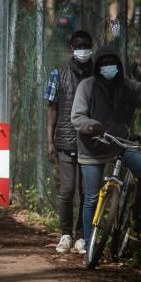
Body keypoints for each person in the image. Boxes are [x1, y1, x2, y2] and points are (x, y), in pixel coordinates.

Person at [70, 45, 141, 249]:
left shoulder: (125, 85)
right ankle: (88, 243)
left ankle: (138, 222)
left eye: (112, 63)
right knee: (91, 198)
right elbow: (76, 116)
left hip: (120, 142)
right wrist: (91, 125)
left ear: (119, 66)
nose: (108, 67)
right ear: (97, 67)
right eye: (103, 64)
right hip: (93, 147)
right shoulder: (87, 86)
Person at [43, 30, 93, 254]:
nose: (83, 49)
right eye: (79, 45)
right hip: (65, 140)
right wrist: (50, 141)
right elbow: (52, 109)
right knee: (68, 189)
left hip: (91, 142)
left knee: (87, 191)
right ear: (72, 48)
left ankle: (82, 236)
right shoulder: (58, 74)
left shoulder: (97, 76)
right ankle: (65, 234)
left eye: (86, 45)